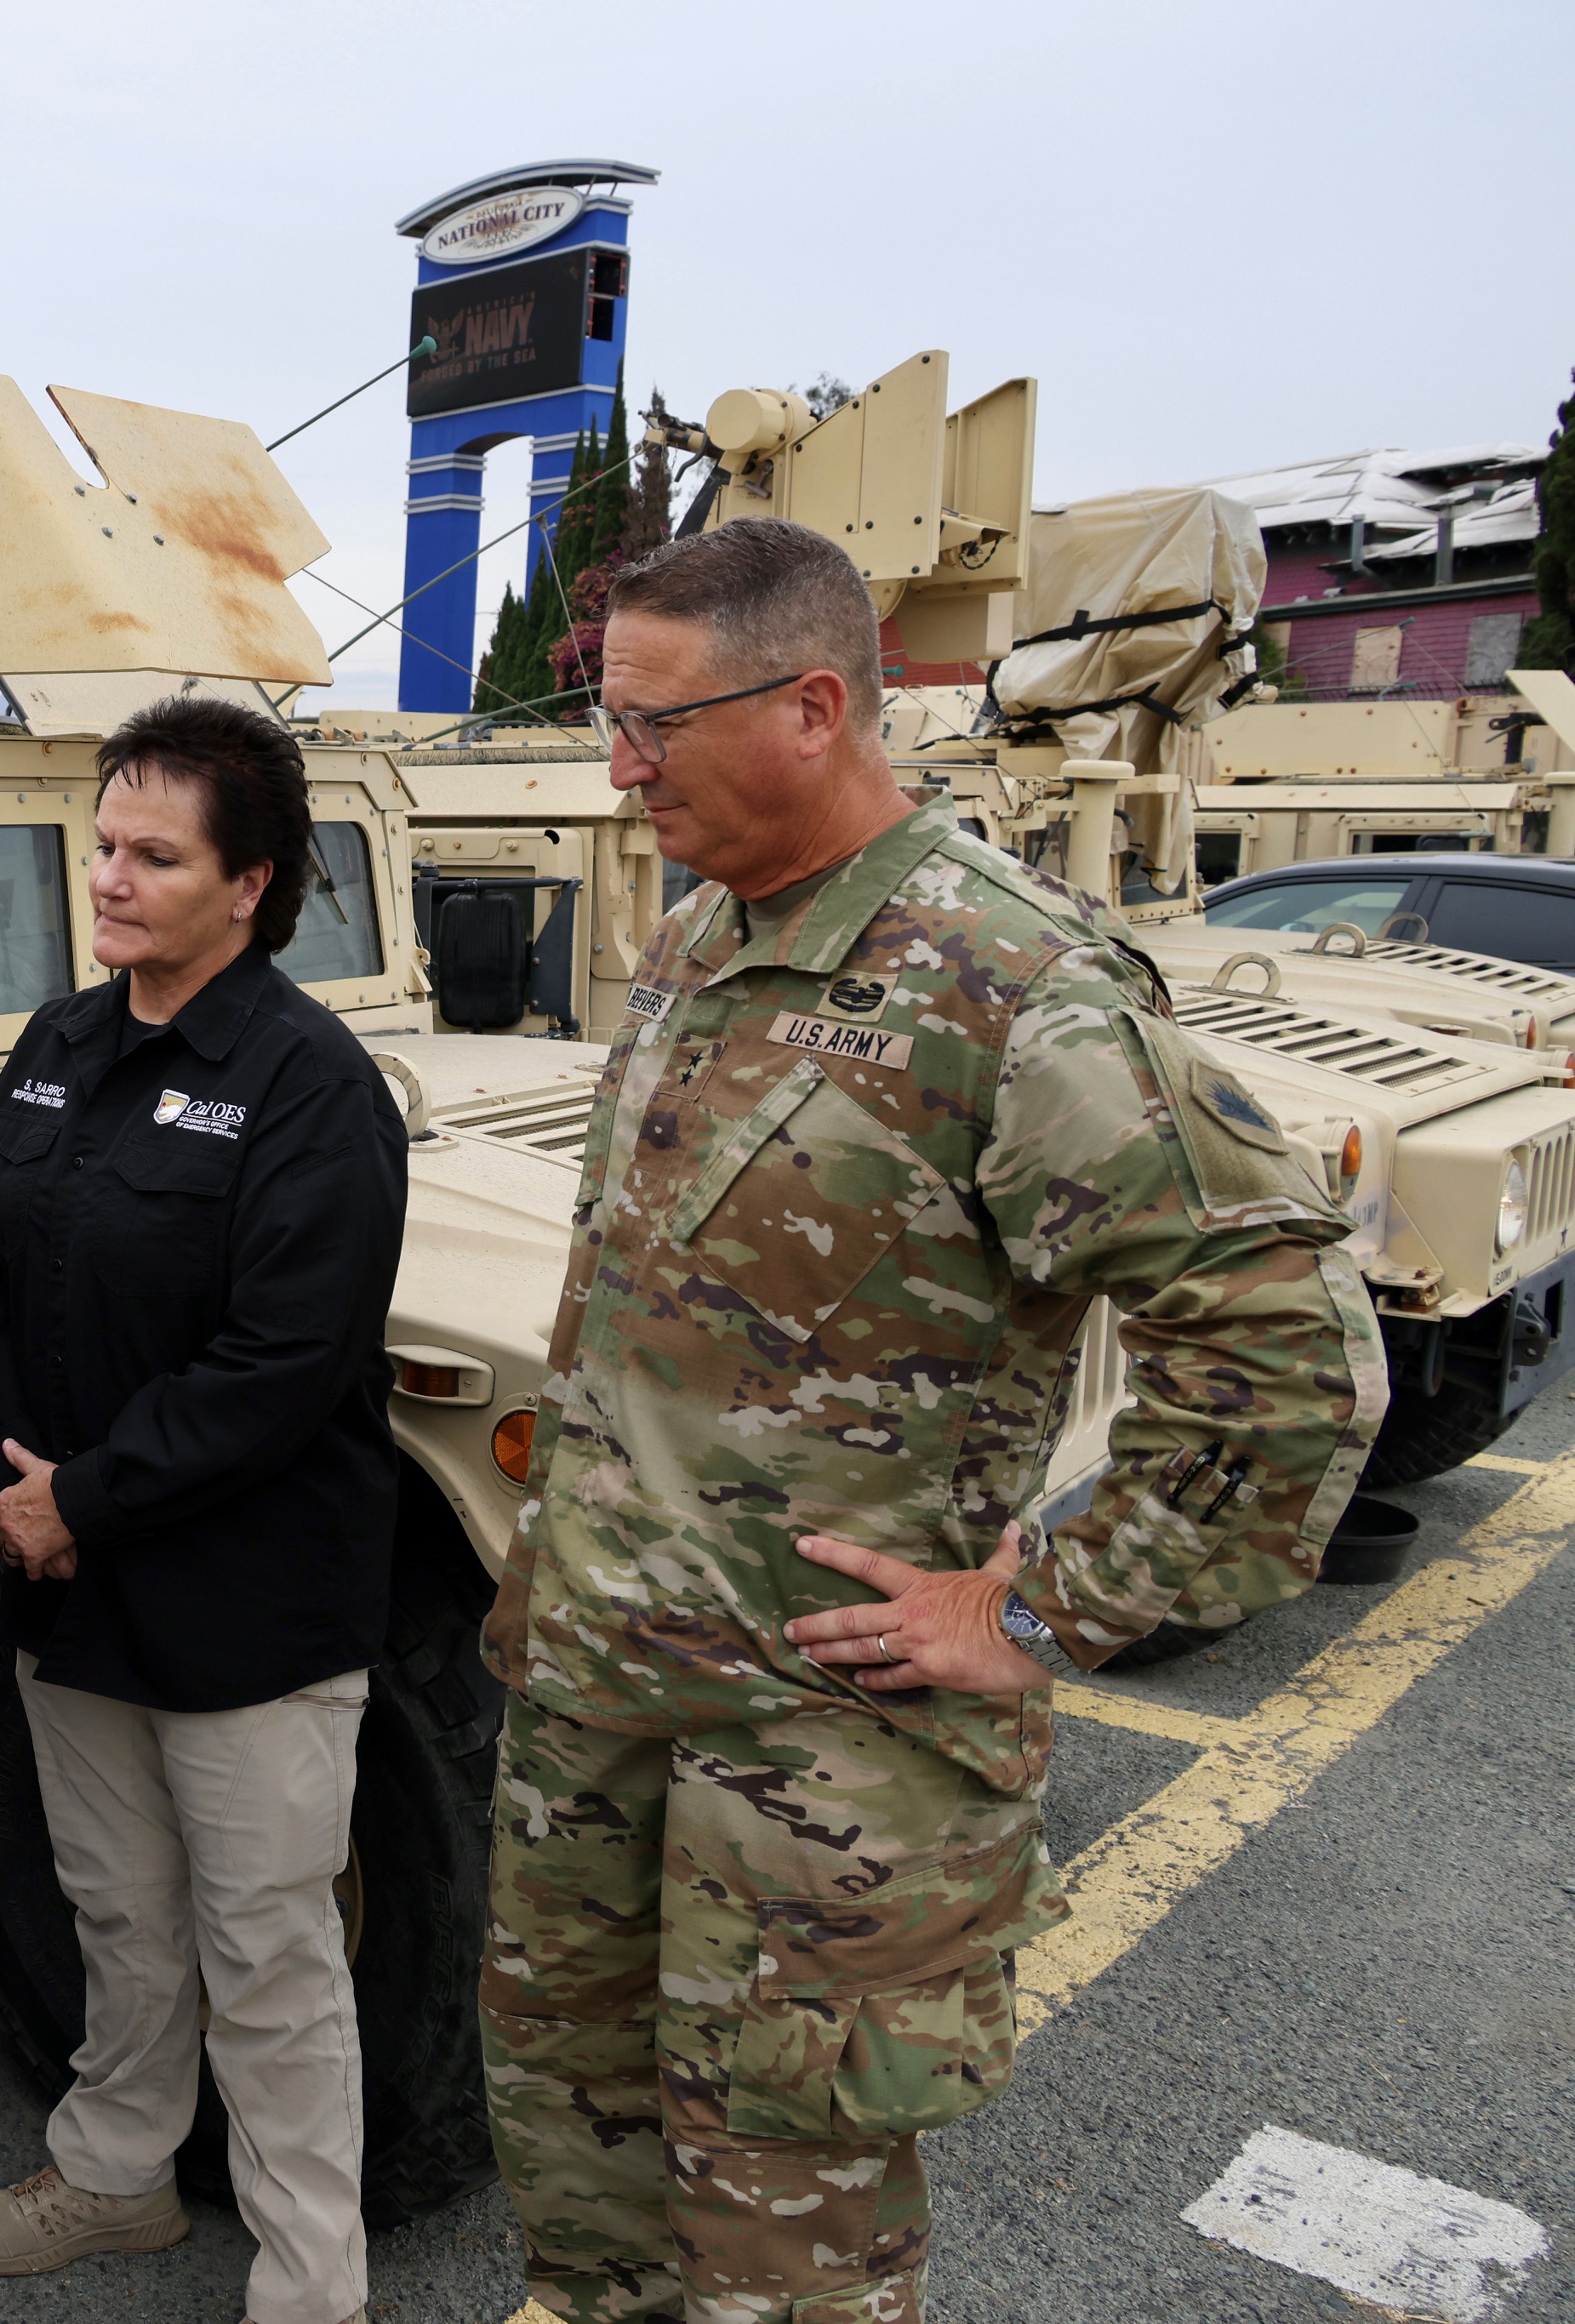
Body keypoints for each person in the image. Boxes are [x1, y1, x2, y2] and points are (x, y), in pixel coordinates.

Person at [486, 517, 1378, 2323]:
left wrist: (1036, 1606)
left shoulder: (1008, 981)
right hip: (600, 1706)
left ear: (812, 705)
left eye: (654, 723)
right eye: (609, 717)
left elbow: (1283, 1366)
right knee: (583, 2201)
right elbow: (625, 1295)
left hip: (824, 1758)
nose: (619, 763)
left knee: (780, 2259)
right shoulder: (693, 942)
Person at [0, 696, 411, 2324]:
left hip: (244, 1607)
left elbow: (285, 1359)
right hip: (69, 1591)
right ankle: (118, 2172)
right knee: (120, 1914)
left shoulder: (309, 1085)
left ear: (251, 884)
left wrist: (89, 1496)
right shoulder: (61, 1044)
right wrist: (19, 1486)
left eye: (154, 854)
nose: (111, 880)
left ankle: (310, 2285)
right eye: (102, 846)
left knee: (271, 1958)